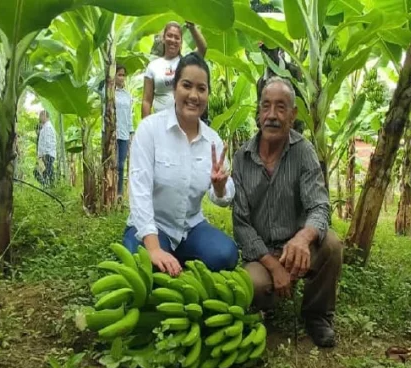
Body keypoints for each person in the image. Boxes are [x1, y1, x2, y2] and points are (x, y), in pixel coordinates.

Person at [232, 76, 343, 348]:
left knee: (332, 244)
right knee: (253, 284)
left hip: (296, 251)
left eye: (281, 108)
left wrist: (303, 238)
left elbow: (319, 205)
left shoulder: (303, 152)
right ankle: (267, 304)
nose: (272, 115)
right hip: (262, 254)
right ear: (258, 113)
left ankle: (316, 315)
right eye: (266, 107)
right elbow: (242, 225)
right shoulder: (241, 158)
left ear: (292, 115)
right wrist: (273, 266)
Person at [123, 52, 238, 276]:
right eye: (187, 85)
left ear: (207, 94)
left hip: (190, 227)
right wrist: (154, 248)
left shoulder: (212, 141)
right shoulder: (150, 130)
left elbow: (224, 197)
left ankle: (177, 260)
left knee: (226, 255)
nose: (193, 95)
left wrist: (219, 187)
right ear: (175, 88)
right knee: (144, 266)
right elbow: (139, 192)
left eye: (201, 89)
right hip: (152, 226)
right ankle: (165, 257)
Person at [142, 21, 207, 118]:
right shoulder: (153, 66)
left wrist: (192, 27)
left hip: (183, 122)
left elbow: (202, 48)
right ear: (163, 39)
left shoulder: (186, 63)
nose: (173, 40)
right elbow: (147, 100)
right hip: (160, 123)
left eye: (177, 38)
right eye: (170, 36)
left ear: (181, 43)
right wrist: (146, 127)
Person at [100, 64, 135, 198]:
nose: (121, 77)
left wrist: (131, 132)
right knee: (108, 163)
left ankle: (119, 193)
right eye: (119, 74)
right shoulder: (106, 91)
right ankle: (107, 192)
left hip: (124, 134)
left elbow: (129, 115)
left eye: (123, 75)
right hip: (110, 132)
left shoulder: (127, 95)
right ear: (113, 75)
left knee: (120, 165)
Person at [256, 43, 305, 133]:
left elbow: (302, 107)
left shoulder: (293, 72)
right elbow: (258, 113)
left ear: (277, 50)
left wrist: (295, 133)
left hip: (293, 133)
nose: (268, 55)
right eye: (265, 52)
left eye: (271, 51)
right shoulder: (261, 82)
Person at [36, 110, 57, 187]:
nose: (40, 118)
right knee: (44, 172)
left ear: (45, 116)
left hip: (47, 154)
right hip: (45, 154)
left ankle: (51, 186)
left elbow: (47, 142)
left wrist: (44, 154)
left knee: (48, 171)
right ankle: (47, 186)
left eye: (40, 116)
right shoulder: (45, 127)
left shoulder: (48, 127)